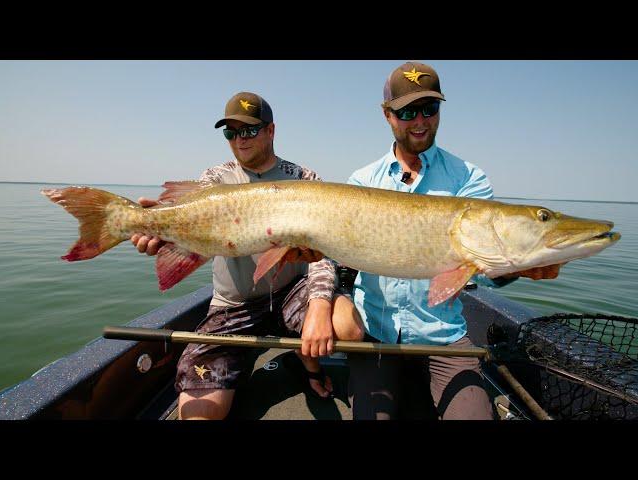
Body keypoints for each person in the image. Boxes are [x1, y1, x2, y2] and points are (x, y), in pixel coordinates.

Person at [344, 62, 562, 420]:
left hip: (443, 336)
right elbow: (337, 255)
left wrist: (519, 267)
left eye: (430, 109)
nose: (420, 121)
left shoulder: (468, 178)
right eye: (407, 111)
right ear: (387, 115)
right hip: (377, 334)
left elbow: (488, 265)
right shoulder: (361, 182)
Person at [131, 92, 364, 419]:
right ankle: (244, 365)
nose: (239, 139)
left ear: (271, 131)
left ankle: (305, 358)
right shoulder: (214, 179)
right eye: (231, 132)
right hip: (234, 304)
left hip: (291, 292)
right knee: (198, 415)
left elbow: (323, 250)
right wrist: (161, 236)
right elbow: (191, 232)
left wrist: (320, 304)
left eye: (249, 130)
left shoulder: (303, 179)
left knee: (348, 327)